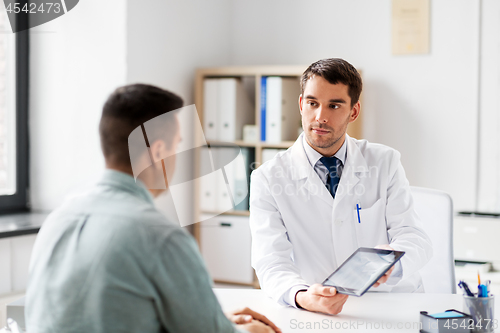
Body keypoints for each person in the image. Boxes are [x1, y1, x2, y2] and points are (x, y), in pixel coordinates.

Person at [25, 84, 281, 333]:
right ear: (158, 152)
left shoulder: (59, 219)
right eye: (177, 146)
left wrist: (214, 320)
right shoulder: (161, 238)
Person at [249, 58, 433, 315]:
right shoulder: (267, 178)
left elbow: (415, 238)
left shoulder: (384, 162)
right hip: (318, 308)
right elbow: (270, 262)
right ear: (302, 104)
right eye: (312, 103)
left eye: (334, 105)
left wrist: (391, 261)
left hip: (391, 304)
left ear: (353, 112)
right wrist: (302, 296)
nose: (320, 117)